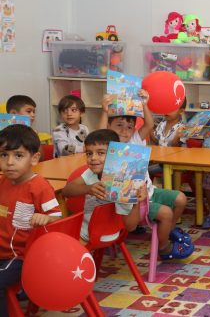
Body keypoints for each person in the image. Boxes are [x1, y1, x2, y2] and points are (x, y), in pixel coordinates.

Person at [100, 92, 193, 260]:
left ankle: (166, 233)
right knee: (166, 213)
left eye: (129, 127)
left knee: (181, 198)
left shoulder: (135, 139)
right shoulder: (108, 145)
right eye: (119, 125)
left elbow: (149, 124)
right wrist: (105, 111)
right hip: (134, 201)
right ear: (109, 127)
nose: (125, 131)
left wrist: (144, 103)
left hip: (149, 191)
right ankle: (163, 248)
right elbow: (99, 133)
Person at [0, 125, 62, 314]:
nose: (10, 162)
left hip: (20, 257)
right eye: (4, 155)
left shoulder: (39, 186)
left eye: (18, 155)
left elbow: (58, 220)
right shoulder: (2, 181)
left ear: (34, 158)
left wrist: (46, 218)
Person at [61, 129, 144, 242]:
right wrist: (88, 189)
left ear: (115, 155)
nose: (93, 158)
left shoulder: (122, 183)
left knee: (58, 244)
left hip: (94, 234)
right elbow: (66, 191)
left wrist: (136, 202)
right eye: (89, 153)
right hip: (85, 230)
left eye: (100, 153)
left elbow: (131, 227)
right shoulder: (91, 173)